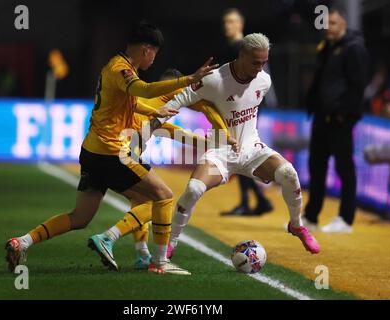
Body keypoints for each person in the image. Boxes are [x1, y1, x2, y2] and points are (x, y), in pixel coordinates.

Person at [5, 21, 218, 275]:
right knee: (164, 196)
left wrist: (156, 112)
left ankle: (23, 242)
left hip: (93, 152)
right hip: (111, 152)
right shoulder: (122, 70)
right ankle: (152, 259)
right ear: (147, 49)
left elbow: (135, 104)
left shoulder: (117, 67)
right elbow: (145, 90)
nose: (154, 59)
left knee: (80, 218)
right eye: (155, 54)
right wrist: (190, 79)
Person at [149, 33, 321, 258]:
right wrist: (154, 122)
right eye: (255, 62)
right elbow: (181, 98)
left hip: (251, 150)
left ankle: (296, 225)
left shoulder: (264, 81)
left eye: (264, 63)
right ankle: (171, 242)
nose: (260, 68)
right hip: (220, 154)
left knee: (288, 173)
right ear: (241, 55)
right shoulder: (214, 79)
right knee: (193, 189)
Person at [92, 68, 236, 271]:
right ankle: (108, 237)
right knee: (160, 199)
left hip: (112, 153)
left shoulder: (153, 107)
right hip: (123, 154)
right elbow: (206, 106)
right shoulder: (171, 96)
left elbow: (180, 135)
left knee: (140, 202)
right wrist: (225, 134)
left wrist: (215, 142)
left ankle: (142, 254)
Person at [303, 7, 369, 233]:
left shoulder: (353, 48)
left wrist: (345, 113)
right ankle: (311, 217)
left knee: (344, 167)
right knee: (316, 166)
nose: (327, 27)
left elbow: (358, 85)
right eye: (325, 23)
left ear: (343, 24)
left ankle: (345, 219)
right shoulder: (327, 47)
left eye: (332, 23)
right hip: (322, 115)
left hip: (340, 118)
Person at [218, 8, 275, 216]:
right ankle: (258, 200)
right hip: (247, 107)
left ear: (240, 25)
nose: (228, 26)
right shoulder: (246, 46)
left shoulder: (240, 47)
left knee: (240, 154)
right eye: (226, 22)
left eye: (232, 22)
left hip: (245, 108)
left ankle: (251, 201)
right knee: (240, 154)